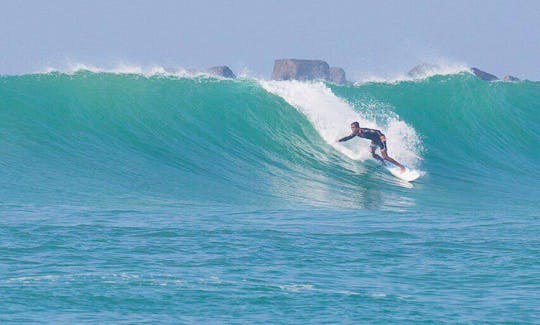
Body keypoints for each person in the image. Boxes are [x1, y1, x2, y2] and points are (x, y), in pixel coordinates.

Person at [338, 121, 406, 172]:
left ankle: (401, 167)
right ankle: (383, 162)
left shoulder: (365, 131)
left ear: (357, 127)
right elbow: (347, 138)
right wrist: (338, 141)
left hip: (381, 140)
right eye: (351, 128)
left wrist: (382, 137)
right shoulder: (355, 133)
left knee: (385, 156)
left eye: (353, 127)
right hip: (374, 141)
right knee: (373, 154)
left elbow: (377, 131)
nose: (352, 129)